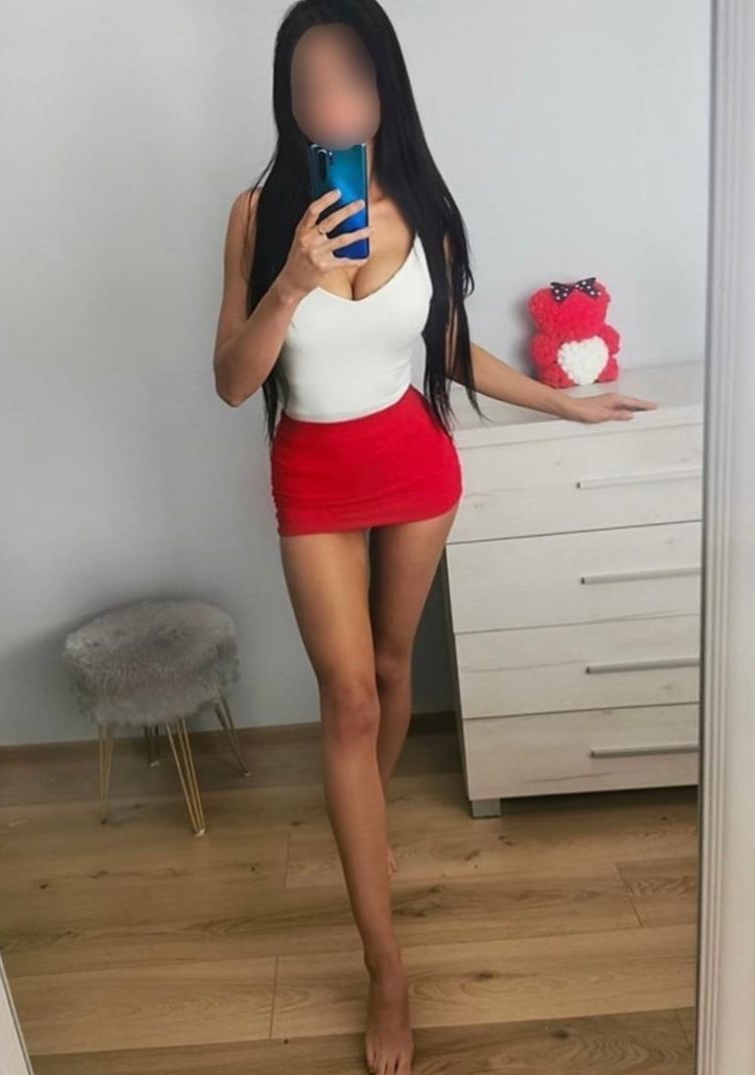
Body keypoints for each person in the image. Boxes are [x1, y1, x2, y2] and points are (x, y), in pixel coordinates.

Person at [213, 3, 657, 1072]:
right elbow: (231, 381)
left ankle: (366, 827)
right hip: (313, 474)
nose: (329, 100)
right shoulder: (256, 215)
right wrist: (290, 283)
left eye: (349, 78)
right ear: (288, 99)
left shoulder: (424, 202)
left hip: (414, 464)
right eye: (308, 83)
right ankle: (387, 968)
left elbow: (448, 345)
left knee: (391, 664)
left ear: (384, 89)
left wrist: (565, 404)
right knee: (349, 696)